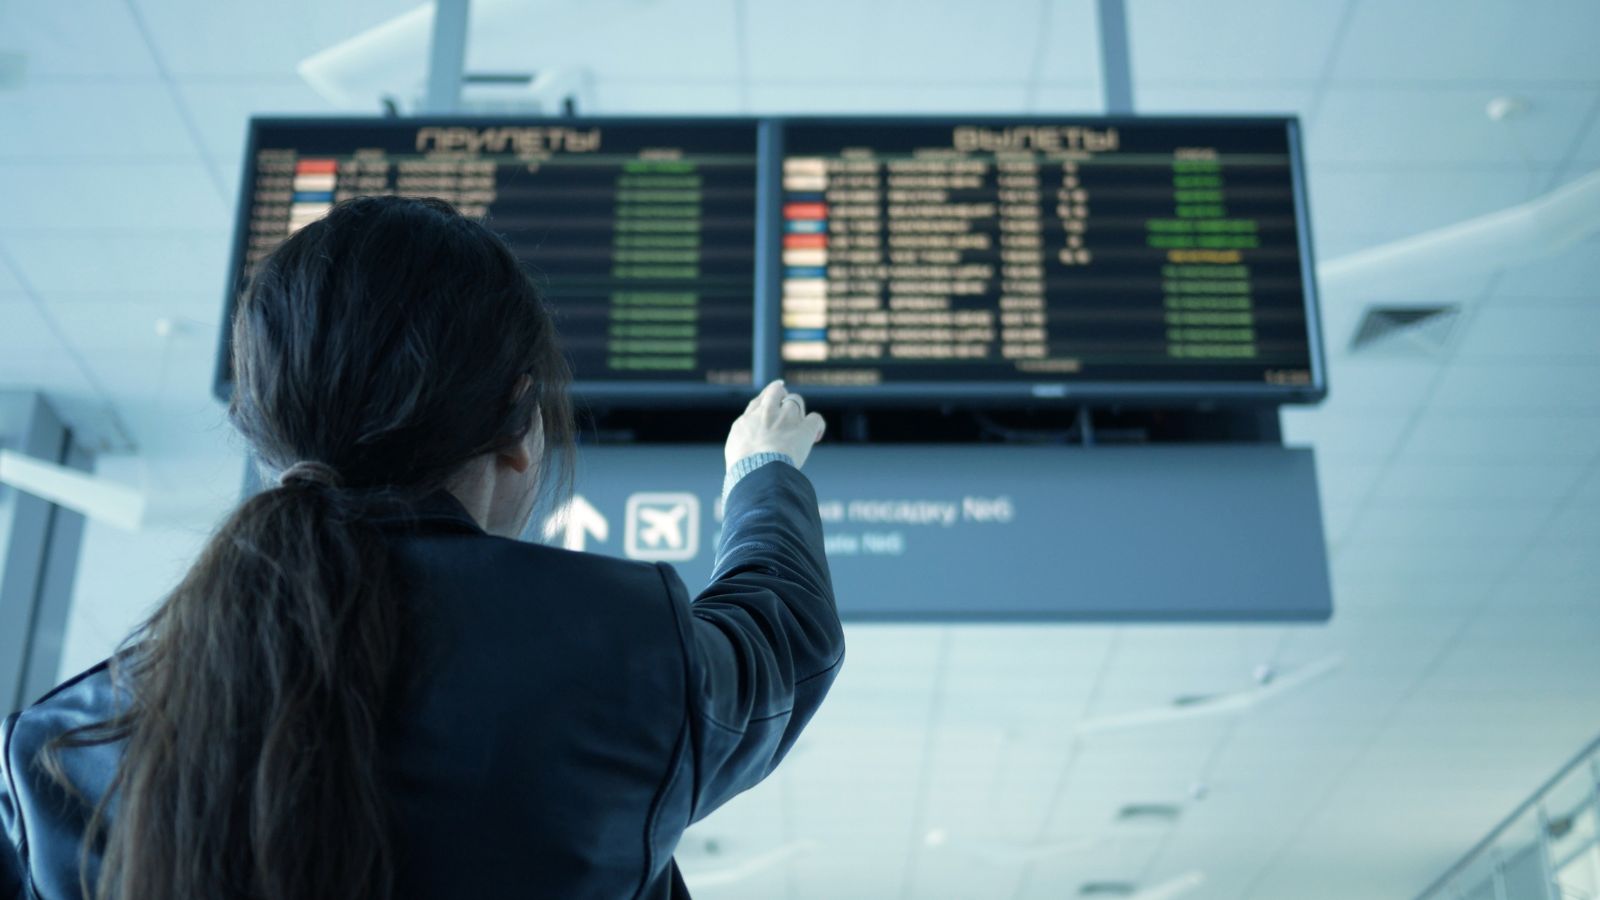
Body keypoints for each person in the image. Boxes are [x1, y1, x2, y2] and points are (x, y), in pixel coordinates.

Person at [0, 196, 843, 900]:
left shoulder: (61, 749)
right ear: (519, 426)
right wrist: (762, 470)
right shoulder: (615, 651)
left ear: (263, 436)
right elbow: (782, 636)